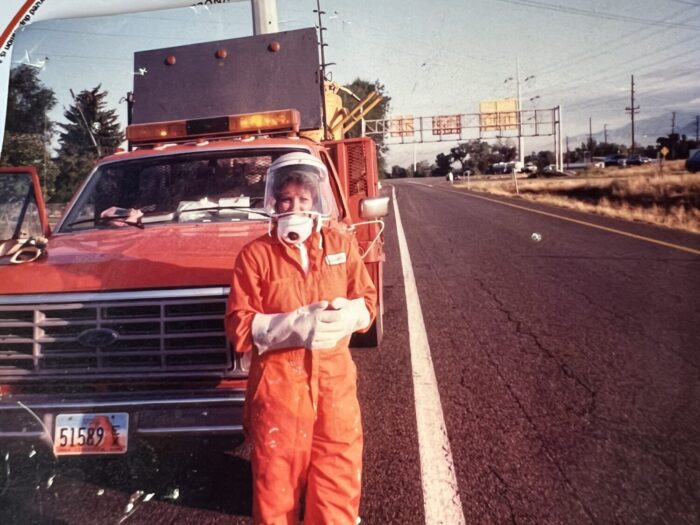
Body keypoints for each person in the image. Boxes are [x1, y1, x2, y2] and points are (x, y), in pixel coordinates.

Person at [225, 151, 377, 525]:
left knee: (338, 479)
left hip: (335, 388)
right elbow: (239, 326)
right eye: (287, 199)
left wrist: (352, 315)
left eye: (304, 199)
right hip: (278, 390)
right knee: (277, 485)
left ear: (316, 200)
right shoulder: (255, 255)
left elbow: (368, 301)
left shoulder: (341, 245)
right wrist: (292, 326)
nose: (295, 206)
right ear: (274, 202)